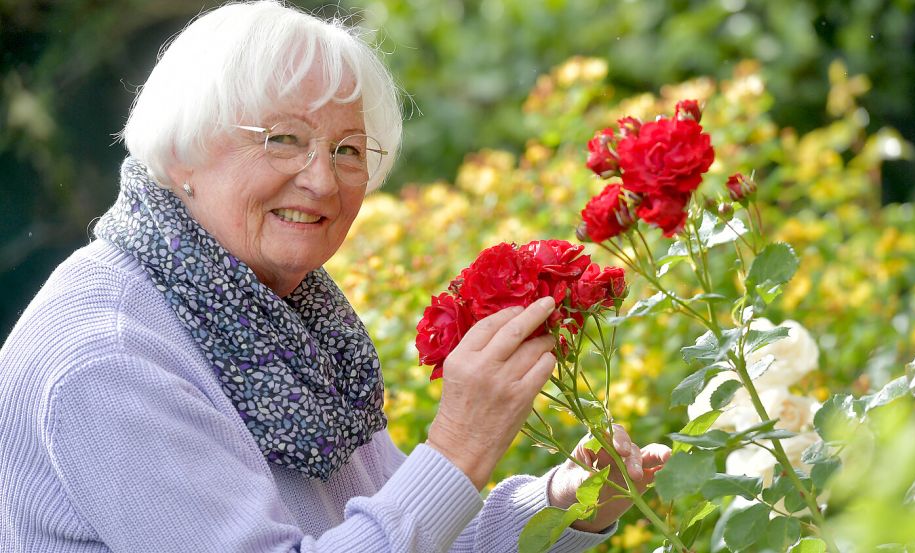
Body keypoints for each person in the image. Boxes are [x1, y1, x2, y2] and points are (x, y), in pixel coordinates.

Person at [0, 2, 670, 551]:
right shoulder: (108, 357)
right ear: (182, 152)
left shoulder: (276, 310)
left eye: (348, 149)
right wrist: (460, 444)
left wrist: (567, 501)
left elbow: (406, 532)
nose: (321, 179)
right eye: (283, 138)